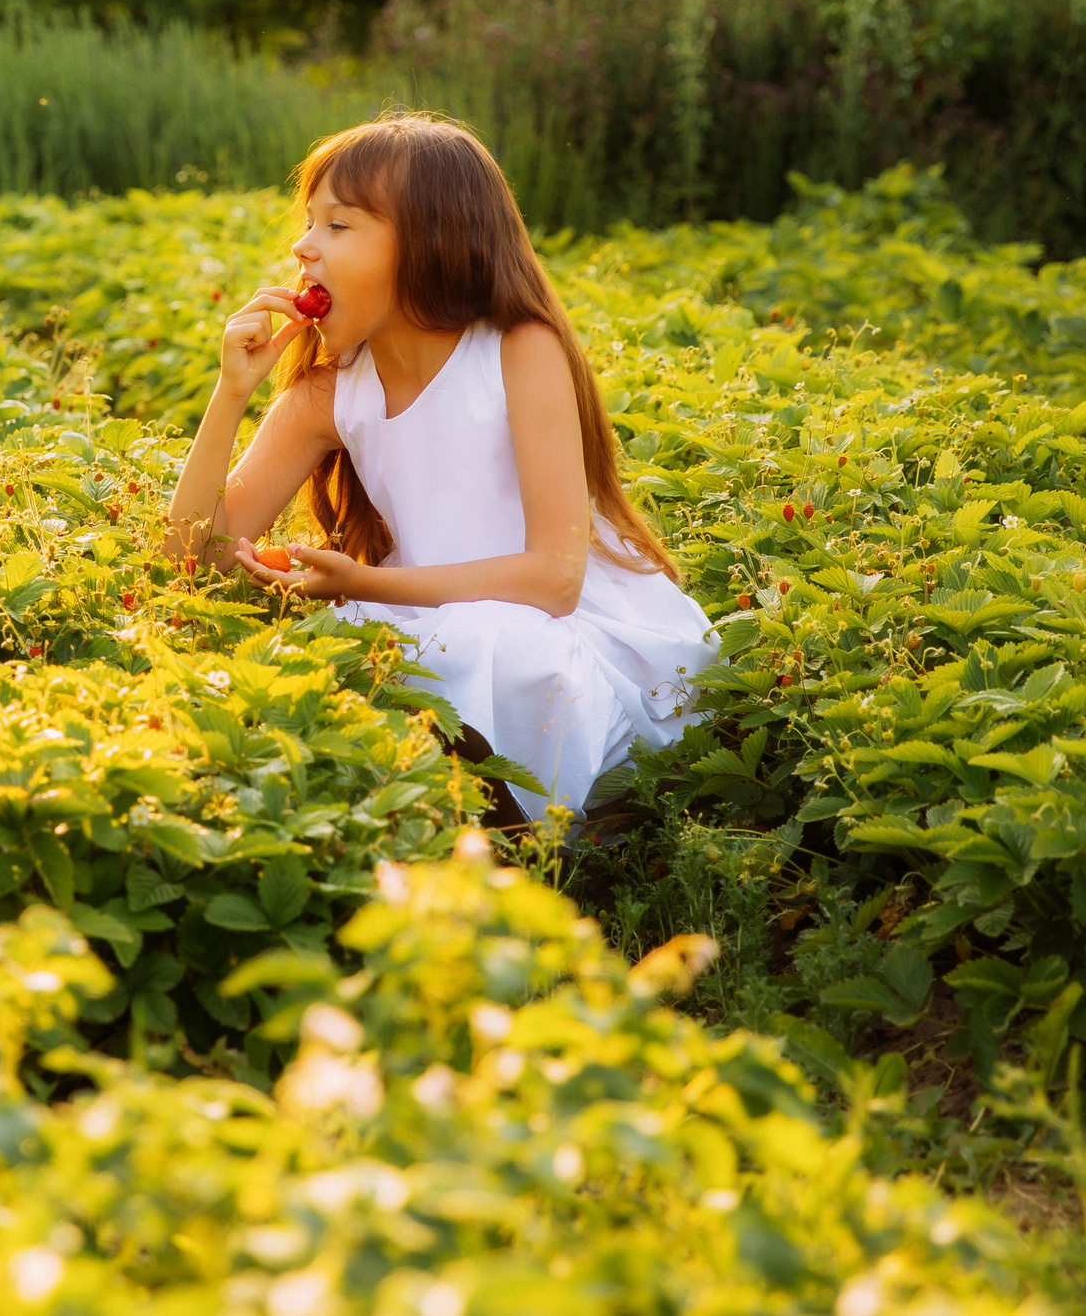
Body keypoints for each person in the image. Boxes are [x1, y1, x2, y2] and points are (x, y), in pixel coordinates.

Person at [163, 111, 716, 827]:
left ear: (426, 242)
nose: (303, 246)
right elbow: (193, 557)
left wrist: (364, 582)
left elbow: (554, 578)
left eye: (339, 225)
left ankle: (513, 841)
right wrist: (229, 392)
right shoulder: (329, 393)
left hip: (565, 632)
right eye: (309, 222)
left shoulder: (518, 348)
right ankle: (429, 830)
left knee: (502, 650)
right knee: (328, 653)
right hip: (426, 614)